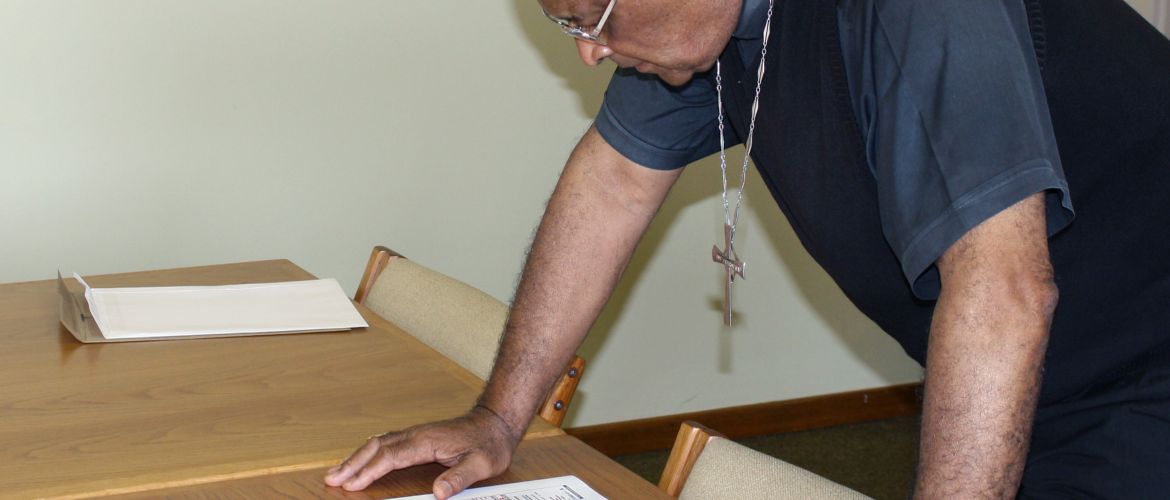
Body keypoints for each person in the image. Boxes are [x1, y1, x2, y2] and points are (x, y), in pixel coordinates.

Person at [325, 0, 1170, 497]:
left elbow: (1004, 295)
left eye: (595, 16)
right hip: (1060, 383)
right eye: (566, 23)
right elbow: (609, 185)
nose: (589, 49)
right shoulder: (713, 34)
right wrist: (498, 419)